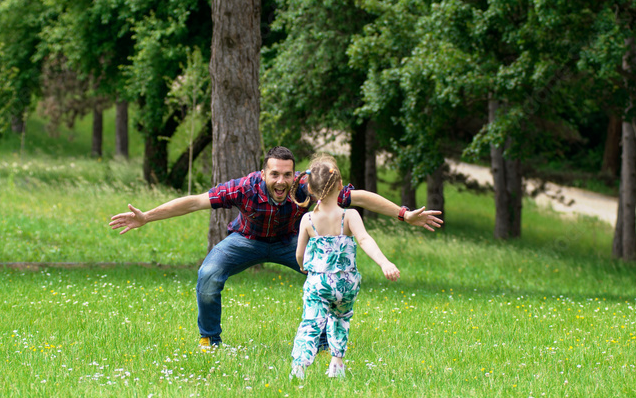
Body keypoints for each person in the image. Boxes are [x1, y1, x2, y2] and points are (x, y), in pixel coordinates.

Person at [108, 146, 441, 350]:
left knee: (328, 277)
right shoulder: (244, 188)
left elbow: (359, 197)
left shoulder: (308, 187)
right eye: (274, 174)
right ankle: (210, 340)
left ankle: (324, 344)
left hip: (291, 243)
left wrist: (403, 214)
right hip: (246, 242)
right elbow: (195, 201)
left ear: (295, 174)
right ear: (263, 173)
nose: (281, 181)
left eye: (287, 174)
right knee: (208, 275)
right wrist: (147, 217)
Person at [290, 154, 399, 380]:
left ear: (309, 188)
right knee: (340, 319)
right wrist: (384, 262)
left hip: (319, 282)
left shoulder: (308, 219)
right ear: (341, 186)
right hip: (346, 284)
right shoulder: (350, 215)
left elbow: (299, 253)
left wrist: (303, 266)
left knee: (311, 323)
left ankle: (299, 366)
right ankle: (337, 363)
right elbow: (365, 240)